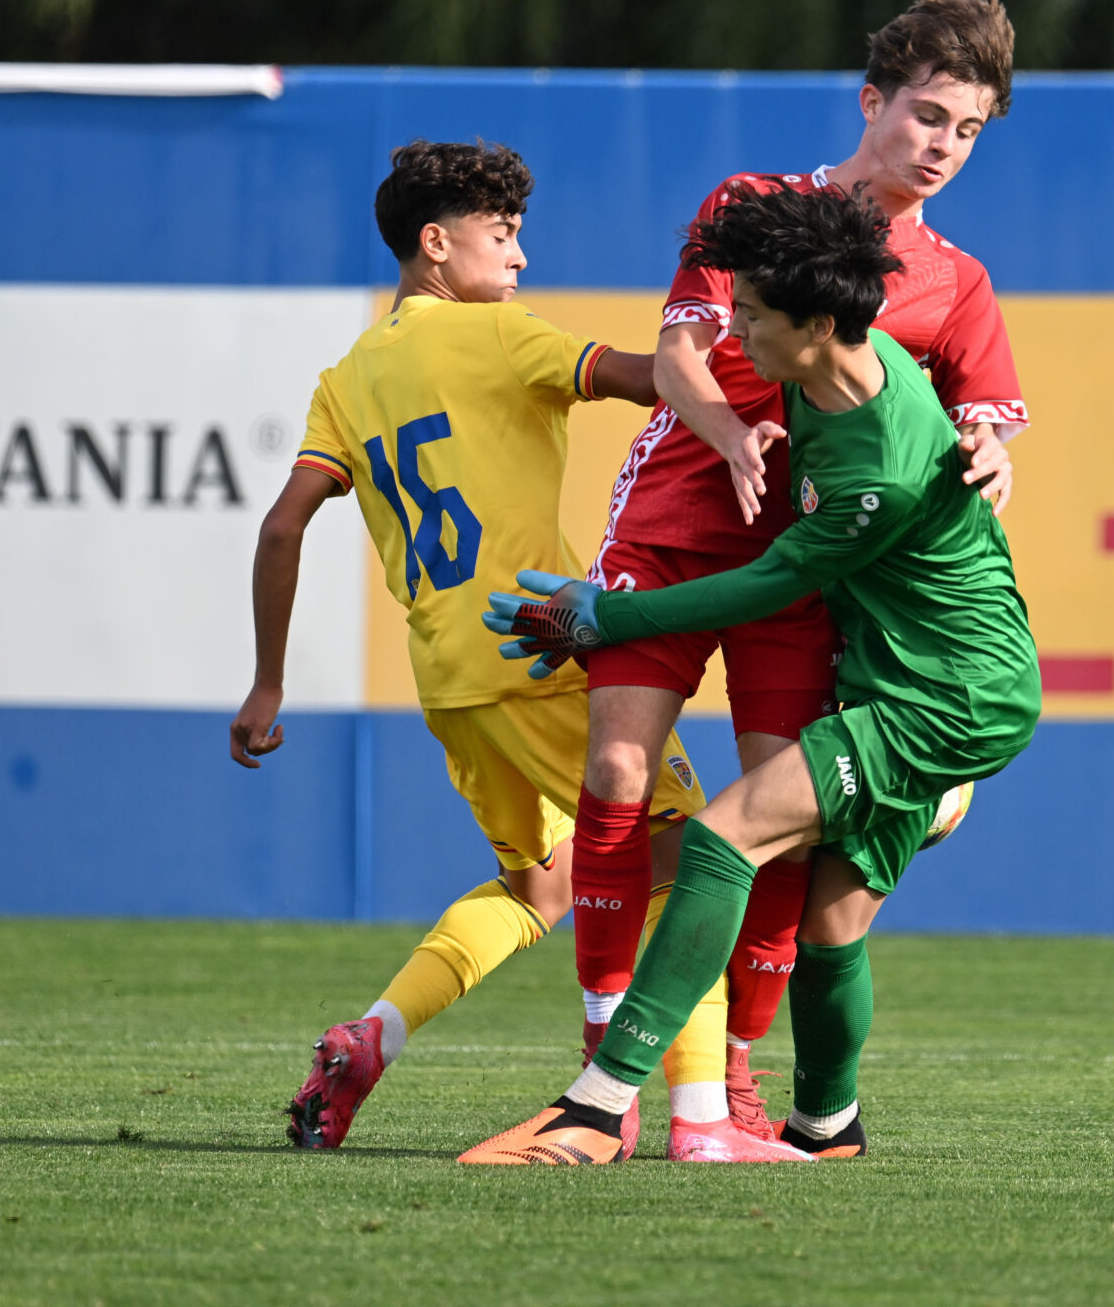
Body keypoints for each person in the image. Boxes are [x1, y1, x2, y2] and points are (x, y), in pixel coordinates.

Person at [463, 183, 1041, 1165]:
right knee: (830, 926)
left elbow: (767, 584)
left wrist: (603, 617)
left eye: (755, 317)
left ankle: (598, 1106)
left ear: (817, 326)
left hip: (942, 700)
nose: (735, 332)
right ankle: (829, 1127)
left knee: (724, 838)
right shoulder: (834, 374)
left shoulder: (877, 470)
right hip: (911, 680)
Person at [228, 139, 750, 1159]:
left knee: (542, 887)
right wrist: (761, 361)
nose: (519, 257)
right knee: (690, 862)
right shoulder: (503, 335)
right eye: (502, 235)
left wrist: (268, 683)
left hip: (450, 679)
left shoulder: (347, 379)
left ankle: (373, 1035)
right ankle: (702, 1120)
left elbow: (284, 526)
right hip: (543, 649)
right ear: (435, 243)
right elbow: (657, 380)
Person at [574, 0, 1029, 1141]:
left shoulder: (956, 282)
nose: (943, 145)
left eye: (969, 130)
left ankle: (729, 1075)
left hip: (804, 565)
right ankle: (602, 1060)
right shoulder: (753, 207)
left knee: (781, 817)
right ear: (872, 102)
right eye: (927, 115)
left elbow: (979, 430)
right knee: (620, 774)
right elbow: (679, 352)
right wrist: (729, 432)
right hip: (682, 519)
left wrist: (992, 452)